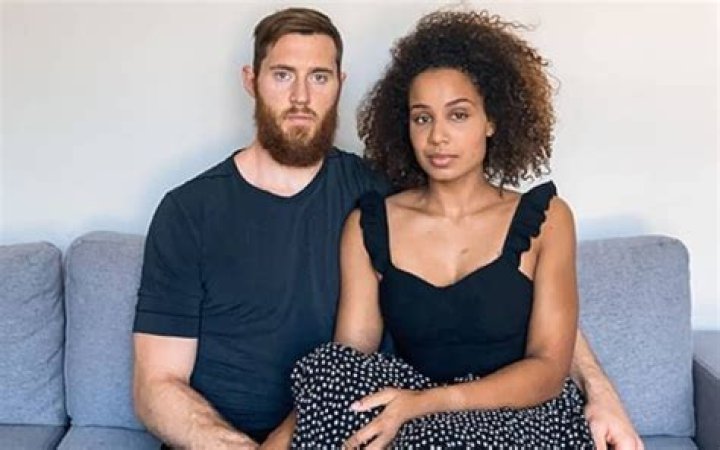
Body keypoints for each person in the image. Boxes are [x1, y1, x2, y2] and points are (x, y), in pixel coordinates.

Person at [131, 6, 642, 450]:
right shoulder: (191, 210)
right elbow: (158, 383)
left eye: (319, 77)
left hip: (448, 414)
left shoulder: (374, 188)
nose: (301, 96)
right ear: (251, 81)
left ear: (340, 84)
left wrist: (600, 389)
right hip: (266, 429)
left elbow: (526, 312)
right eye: (283, 75)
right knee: (333, 369)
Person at [289, 9, 643, 449]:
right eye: (422, 118)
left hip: (521, 417)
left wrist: (428, 403)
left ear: (491, 120)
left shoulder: (547, 219)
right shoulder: (370, 224)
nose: (437, 137)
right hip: (416, 418)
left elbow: (549, 370)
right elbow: (350, 360)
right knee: (329, 369)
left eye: (458, 115)